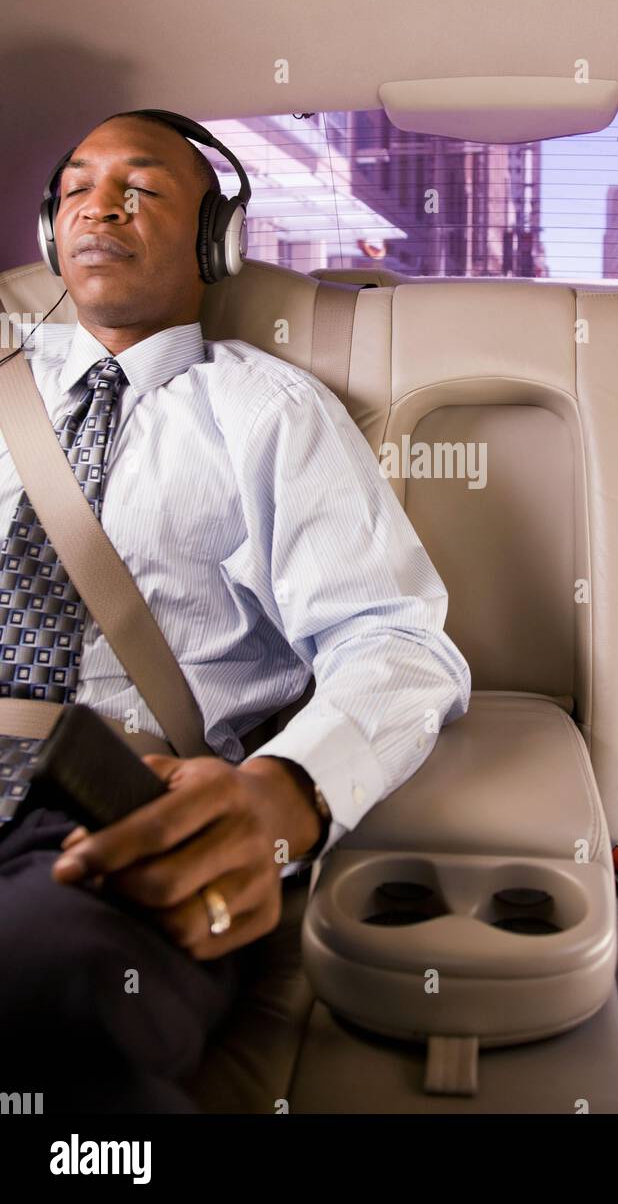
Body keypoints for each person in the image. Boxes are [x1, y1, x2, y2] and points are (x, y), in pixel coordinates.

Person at [0, 111, 471, 1111]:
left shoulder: (267, 411)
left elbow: (392, 638)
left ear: (217, 239)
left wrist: (288, 793)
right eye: (77, 187)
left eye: (143, 187)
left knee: (48, 995)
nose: (99, 205)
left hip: (105, 803)